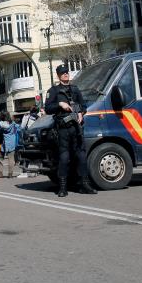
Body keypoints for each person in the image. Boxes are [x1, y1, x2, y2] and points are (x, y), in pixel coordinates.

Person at [44, 64, 97, 197]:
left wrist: (80, 113)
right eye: (63, 73)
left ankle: (85, 184)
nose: (65, 74)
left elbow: (84, 105)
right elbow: (48, 108)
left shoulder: (75, 89)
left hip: (76, 128)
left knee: (81, 156)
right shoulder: (54, 91)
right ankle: (63, 187)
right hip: (62, 129)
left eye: (66, 72)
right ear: (58, 75)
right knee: (64, 158)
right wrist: (60, 104)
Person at [0, 112, 17, 178]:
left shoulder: (0, 123)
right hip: (11, 142)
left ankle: (0, 173)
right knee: (11, 158)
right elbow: (18, 128)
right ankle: (10, 174)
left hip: (0, 143)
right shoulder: (12, 123)